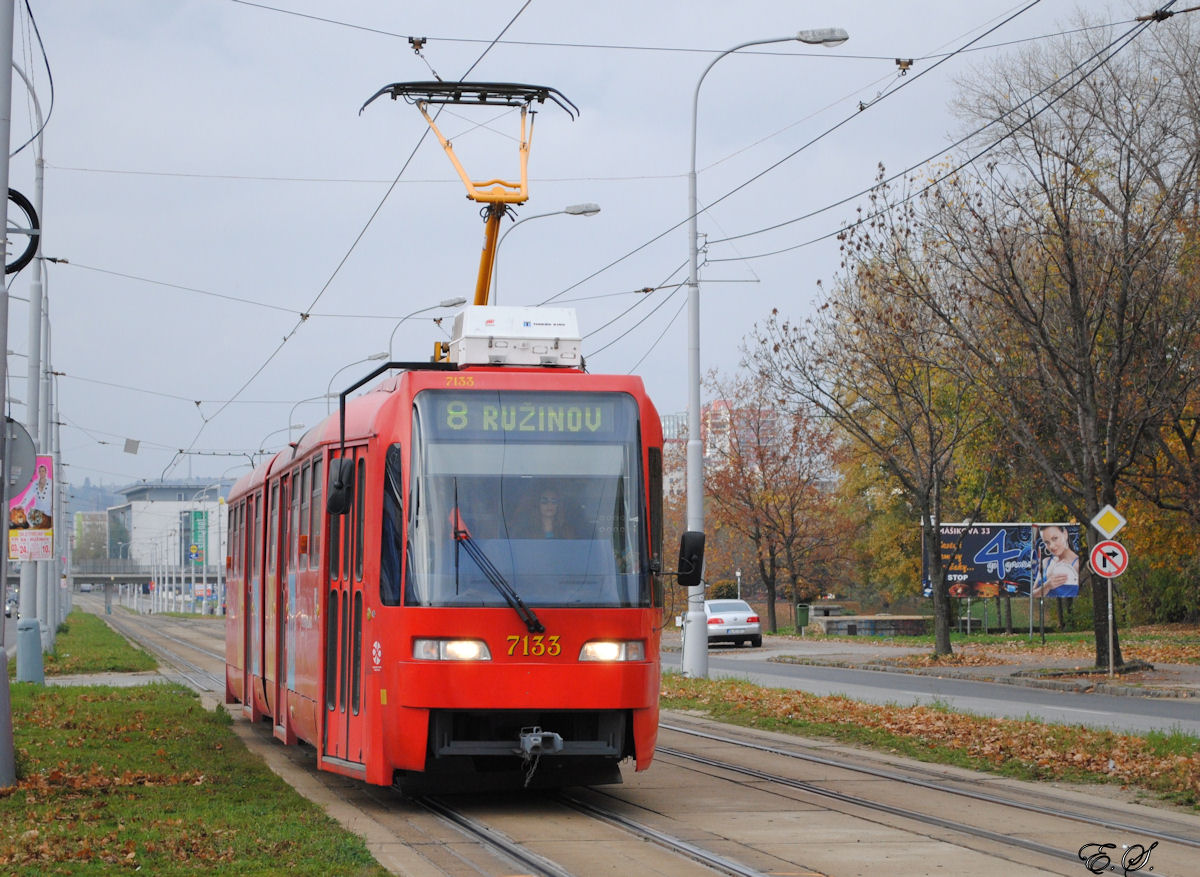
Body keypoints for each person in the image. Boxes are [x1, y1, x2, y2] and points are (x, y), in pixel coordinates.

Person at [1031, 524, 1079, 598]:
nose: (1051, 546)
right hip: (1044, 607)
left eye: (1055, 538)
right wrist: (1047, 586)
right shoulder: (1046, 562)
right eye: (1046, 542)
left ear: (1065, 534)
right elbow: (1032, 595)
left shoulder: (1077, 564)